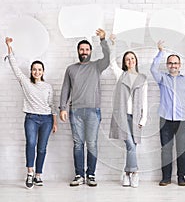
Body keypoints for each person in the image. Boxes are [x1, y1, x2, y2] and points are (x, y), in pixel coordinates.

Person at [5, 37, 57, 189]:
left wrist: (54, 122)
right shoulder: (25, 82)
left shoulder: (48, 86)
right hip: (31, 119)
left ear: (43, 72)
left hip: (47, 119)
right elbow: (14, 66)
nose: (36, 71)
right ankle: (29, 173)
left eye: (39, 69)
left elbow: (52, 105)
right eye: (34, 69)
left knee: (42, 147)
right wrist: (9, 46)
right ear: (31, 71)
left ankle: (38, 175)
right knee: (31, 143)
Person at [59, 28, 110, 187]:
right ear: (78, 51)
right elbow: (65, 89)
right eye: (82, 49)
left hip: (93, 111)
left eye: (87, 49)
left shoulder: (97, 66)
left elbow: (107, 58)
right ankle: (79, 175)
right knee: (78, 144)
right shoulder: (71, 69)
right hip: (75, 112)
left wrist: (103, 40)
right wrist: (62, 108)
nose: (84, 51)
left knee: (92, 143)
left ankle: (91, 175)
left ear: (90, 51)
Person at [151, 41, 185, 186]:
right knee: (166, 150)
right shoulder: (162, 79)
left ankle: (181, 176)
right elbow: (153, 69)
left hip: (182, 120)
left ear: (179, 65)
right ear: (167, 65)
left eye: (175, 63)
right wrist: (160, 53)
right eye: (170, 63)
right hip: (165, 120)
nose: (173, 65)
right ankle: (166, 177)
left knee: (182, 150)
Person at [108, 35, 148, 188]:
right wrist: (113, 45)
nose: (130, 61)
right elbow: (112, 63)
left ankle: (126, 173)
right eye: (127, 59)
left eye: (132, 58)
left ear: (136, 60)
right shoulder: (121, 75)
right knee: (130, 145)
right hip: (122, 117)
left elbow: (145, 101)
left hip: (136, 116)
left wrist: (143, 120)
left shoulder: (143, 79)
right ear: (124, 63)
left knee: (132, 146)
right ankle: (135, 172)